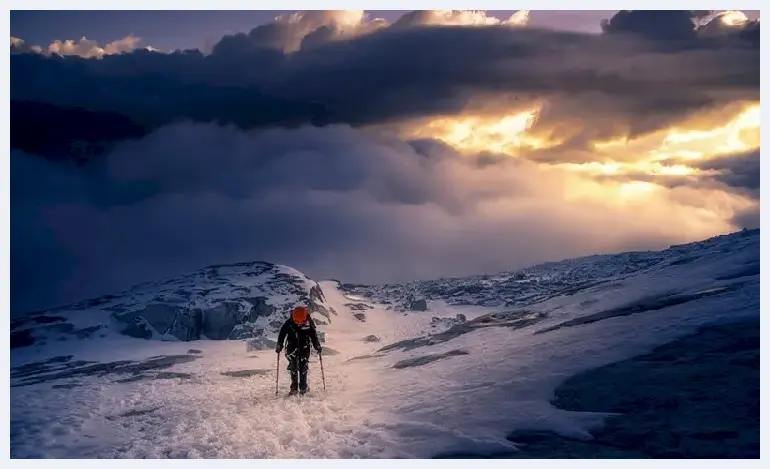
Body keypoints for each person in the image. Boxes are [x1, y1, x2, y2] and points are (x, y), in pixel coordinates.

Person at [275, 305, 322, 395]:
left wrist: (317, 345)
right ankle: (294, 388)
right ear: (293, 317)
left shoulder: (309, 324)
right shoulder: (288, 324)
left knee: (303, 367)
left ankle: (303, 387)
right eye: (297, 321)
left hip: (304, 348)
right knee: (293, 367)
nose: (299, 324)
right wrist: (279, 345)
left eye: (301, 322)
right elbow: (282, 334)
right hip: (291, 348)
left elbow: (313, 336)